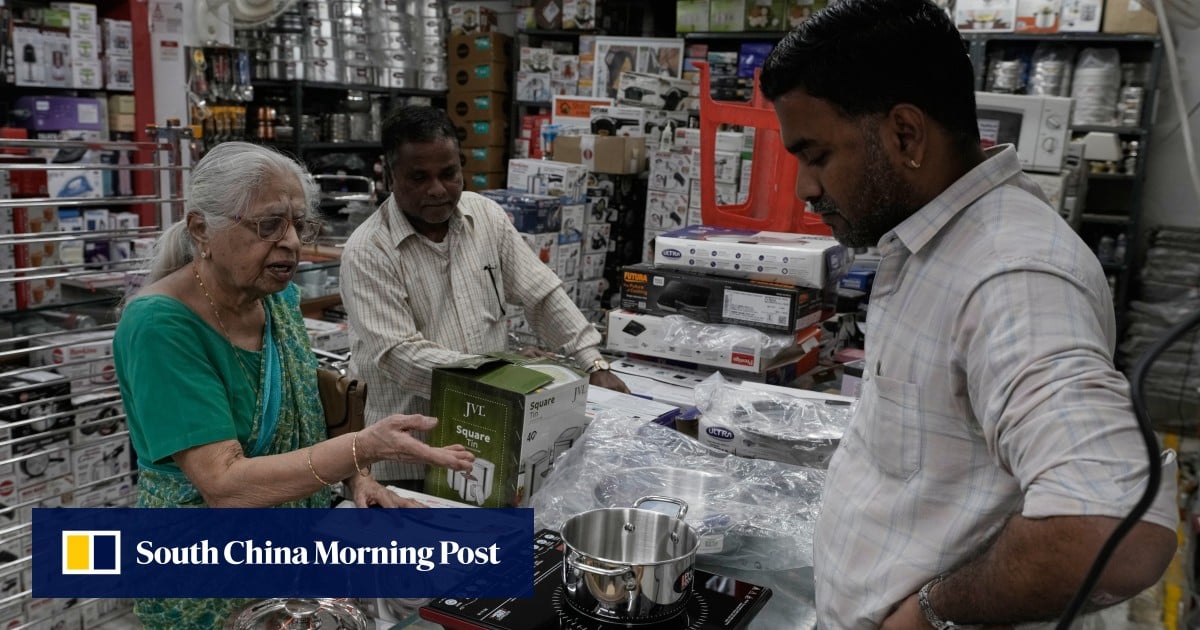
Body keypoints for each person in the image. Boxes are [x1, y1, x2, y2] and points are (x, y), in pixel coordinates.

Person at [760, 1, 1178, 628]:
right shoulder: (931, 240)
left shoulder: (1009, 274)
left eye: (816, 156)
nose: (805, 189)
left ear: (905, 134)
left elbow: (1112, 530)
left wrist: (930, 611)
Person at [113, 142, 475, 629]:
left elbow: (305, 410)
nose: (291, 242)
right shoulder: (161, 327)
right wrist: (362, 447)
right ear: (202, 230)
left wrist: (359, 477)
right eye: (269, 225)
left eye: (299, 225)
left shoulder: (274, 299)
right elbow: (223, 485)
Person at [340, 105, 628, 486]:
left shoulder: (485, 218)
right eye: (419, 177)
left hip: (488, 442)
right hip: (408, 460)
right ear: (391, 177)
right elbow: (402, 358)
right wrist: (510, 375)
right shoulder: (368, 251)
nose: (437, 189)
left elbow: (541, 294)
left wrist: (593, 362)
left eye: (448, 174)